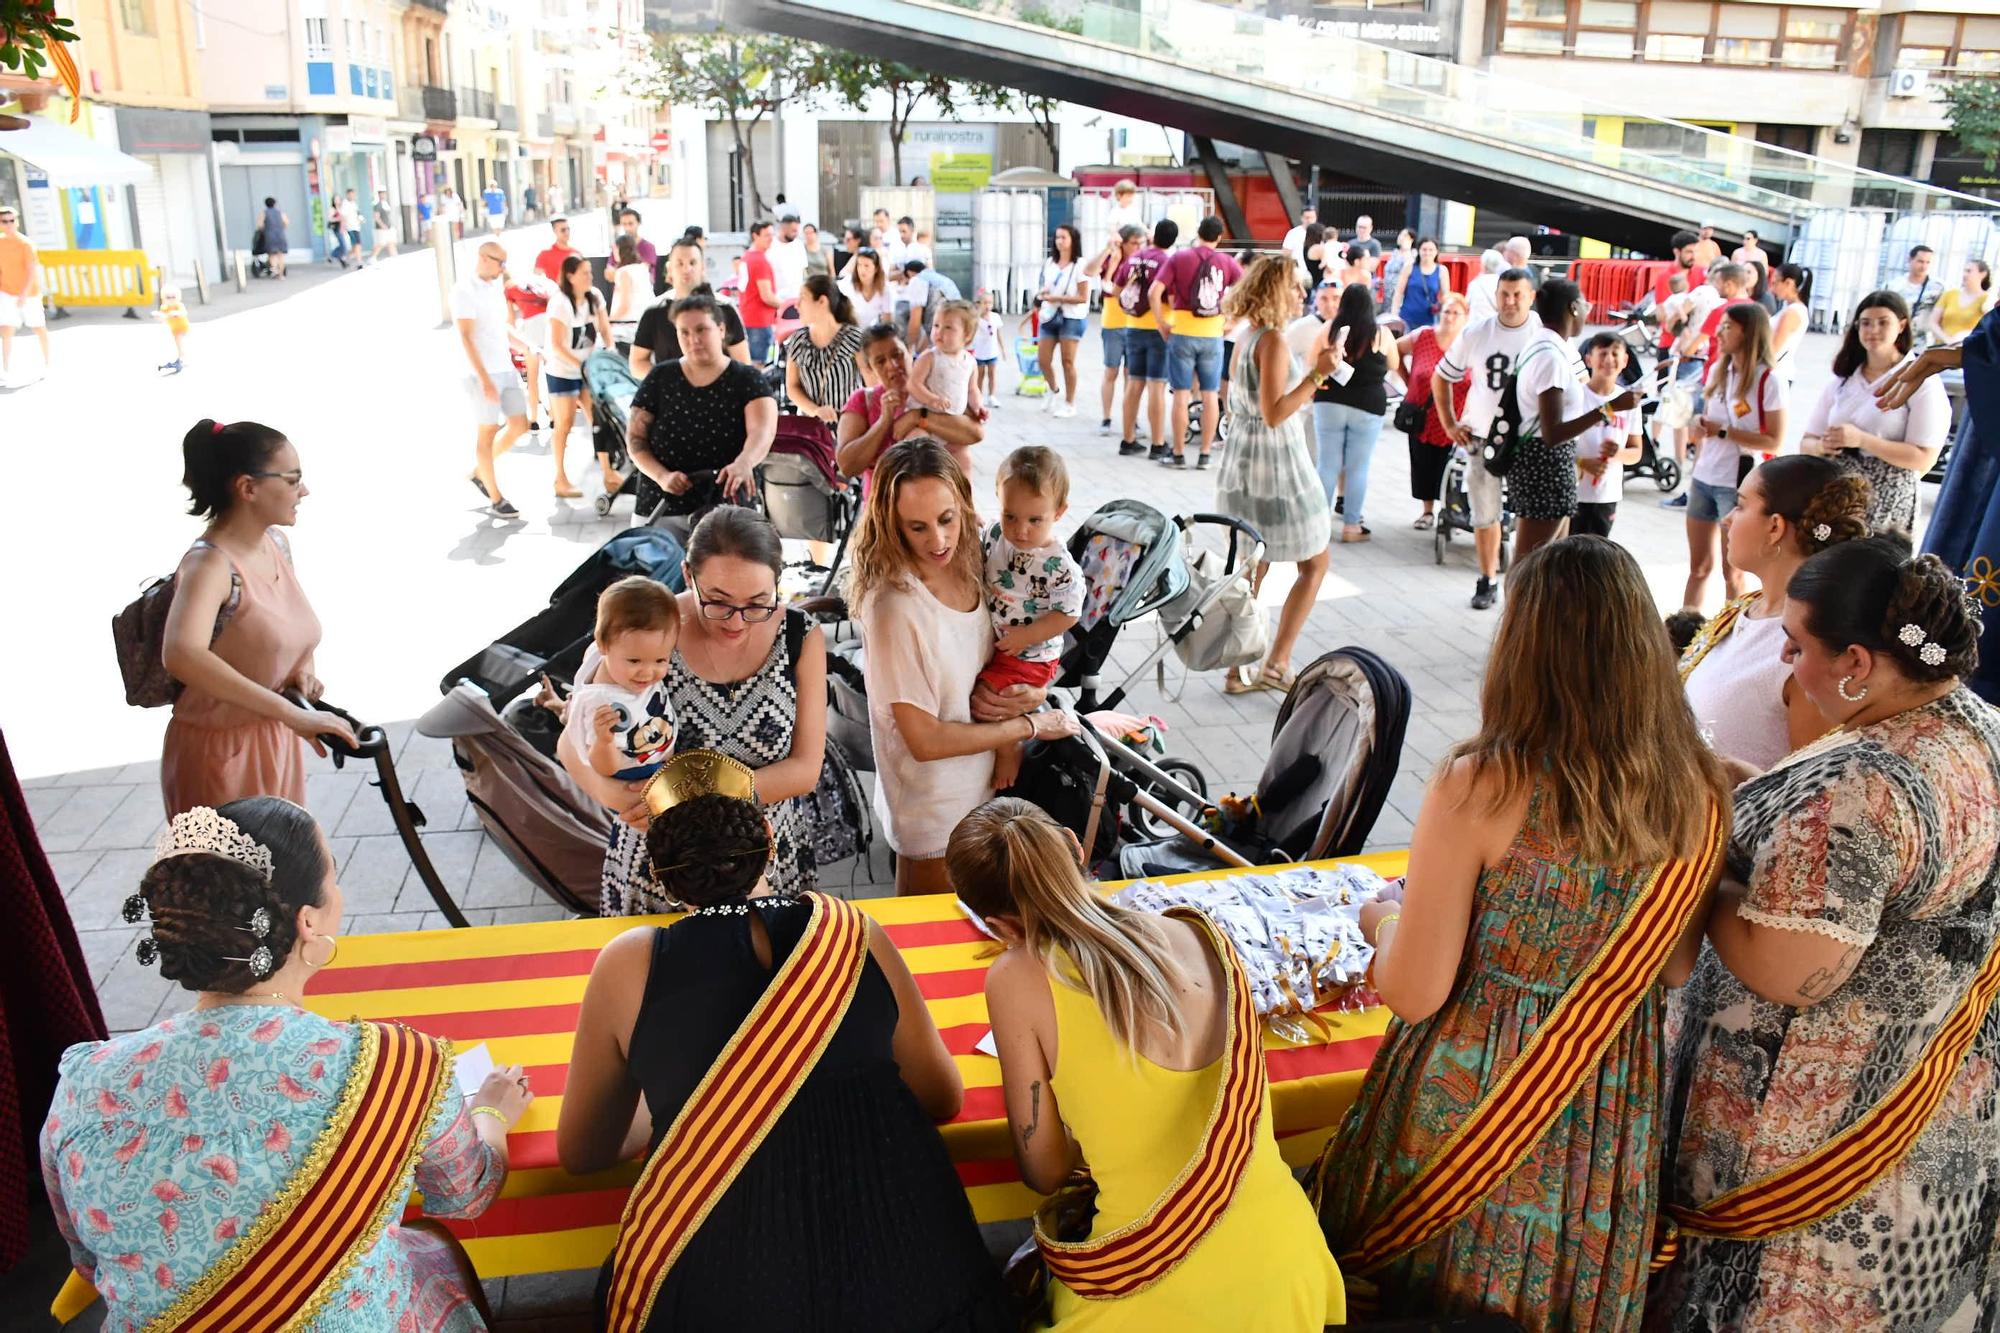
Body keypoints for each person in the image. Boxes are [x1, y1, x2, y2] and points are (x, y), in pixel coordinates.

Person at [1317, 536, 1731, 1331]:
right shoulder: (1700, 787)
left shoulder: (1484, 779)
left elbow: (1412, 990)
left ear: (1524, 646)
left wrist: (1383, 918)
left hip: (1472, 1101)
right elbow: (1675, 967)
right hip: (1607, 1108)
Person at [1658, 538, 2000, 1330]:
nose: (1783, 662)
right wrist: (1726, 787)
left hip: (1812, 1145)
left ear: (1856, 661)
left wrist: (1699, 867)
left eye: (1796, 645)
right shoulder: (1971, 725)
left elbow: (1787, 968)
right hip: (1924, 1112)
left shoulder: (1861, 789)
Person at [43, 797, 529, 1333]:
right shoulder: (395, 1065)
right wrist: (492, 1113)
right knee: (427, 1250)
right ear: (307, 921)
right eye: (335, 875)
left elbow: (86, 1256)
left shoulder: (85, 1082)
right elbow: (466, 1192)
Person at [558, 771, 1010, 1330]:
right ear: (771, 840)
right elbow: (942, 1097)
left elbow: (585, 1151)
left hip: (723, 1282)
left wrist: (684, 1104)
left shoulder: (628, 964)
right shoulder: (850, 933)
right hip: (905, 1270)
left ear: (659, 876)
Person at [950, 798, 1346, 1330]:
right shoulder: (1200, 932)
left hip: (1148, 1293)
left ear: (997, 926)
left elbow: (1044, 1171)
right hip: (1293, 1270)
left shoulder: (1015, 978)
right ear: (1074, 844)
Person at [564, 510, 830, 910]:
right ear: (688, 576)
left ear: (778, 581)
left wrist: (676, 802)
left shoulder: (799, 635)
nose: (737, 623)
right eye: (718, 603)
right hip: (666, 868)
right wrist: (612, 793)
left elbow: (806, 769)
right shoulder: (647, 629)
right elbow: (570, 742)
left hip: (765, 859)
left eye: (758, 603)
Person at [848, 441, 1074, 895]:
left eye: (947, 519)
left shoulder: (980, 553)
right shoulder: (895, 606)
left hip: (983, 789)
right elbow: (925, 741)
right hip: (932, 811)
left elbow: (1026, 638)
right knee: (927, 946)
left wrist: (1032, 693)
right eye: (917, 527)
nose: (938, 541)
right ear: (891, 525)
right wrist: (1028, 725)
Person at [160, 420, 354, 815]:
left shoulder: (275, 543)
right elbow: (181, 654)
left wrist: (303, 671)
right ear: (248, 488)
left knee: (285, 870)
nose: (304, 491)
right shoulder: (209, 566)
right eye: (292, 479)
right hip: (221, 754)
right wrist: (287, 711)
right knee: (238, 874)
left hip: (274, 736)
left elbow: (286, 630)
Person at [1680, 456, 1872, 772]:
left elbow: (1807, 788)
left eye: (1741, 506)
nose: (1727, 519)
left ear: (1775, 527)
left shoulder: (1812, 649)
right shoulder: (1746, 609)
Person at [1214, 255, 1336, 694]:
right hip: (1275, 464)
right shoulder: (1273, 342)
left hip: (1243, 462)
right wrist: (1319, 375)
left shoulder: (1247, 336)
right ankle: (1276, 662)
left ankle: (1239, 668)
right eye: (1295, 287)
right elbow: (1275, 412)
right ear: (1274, 292)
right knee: (1315, 560)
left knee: (1254, 565)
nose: (1302, 295)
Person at [625, 291, 777, 541]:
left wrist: (745, 462)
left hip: (727, 509)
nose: (693, 339)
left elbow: (763, 431)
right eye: (684, 332)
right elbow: (635, 439)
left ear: (720, 329)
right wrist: (662, 476)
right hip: (660, 504)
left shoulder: (747, 379)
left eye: (701, 330)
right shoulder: (659, 377)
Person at [1435, 267, 1543, 610]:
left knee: (1531, 513)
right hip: (1482, 436)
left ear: (1531, 296)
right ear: (1495, 295)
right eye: (1504, 294)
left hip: (1528, 439)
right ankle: (1488, 578)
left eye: (1517, 294)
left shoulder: (1543, 333)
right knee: (1485, 514)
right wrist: (1450, 422)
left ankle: (1527, 584)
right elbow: (1442, 377)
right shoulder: (1477, 332)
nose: (1510, 302)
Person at [1801, 289, 1949, 539]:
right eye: (1866, 323)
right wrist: (1822, 446)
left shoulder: (1919, 380)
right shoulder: (1844, 378)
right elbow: (1807, 441)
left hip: (1888, 498)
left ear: (1902, 325)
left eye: (1883, 322)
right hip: (1837, 493)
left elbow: (1924, 458)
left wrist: (1862, 440)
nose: (1873, 330)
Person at [981, 447, 1083, 788]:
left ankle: (1010, 746)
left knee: (991, 699)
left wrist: (1028, 636)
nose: (1020, 530)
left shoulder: (1058, 565)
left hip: (1031, 655)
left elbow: (1068, 613)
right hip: (1002, 641)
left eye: (1034, 520)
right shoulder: (997, 535)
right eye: (1010, 516)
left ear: (1059, 512)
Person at [1508, 279, 1622, 560]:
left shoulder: (1547, 346)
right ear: (1573, 308)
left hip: (1546, 461)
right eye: (1585, 305)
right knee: (1531, 559)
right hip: (1546, 463)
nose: (1587, 311)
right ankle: (1517, 604)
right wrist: (1608, 409)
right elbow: (1553, 432)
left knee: (1551, 558)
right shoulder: (1550, 357)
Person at [1684, 303, 1786, 611]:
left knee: (1734, 571)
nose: (1719, 332)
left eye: (1728, 326)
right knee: (1699, 566)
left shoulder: (1768, 380)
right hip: (1704, 475)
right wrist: (1698, 425)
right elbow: (1704, 418)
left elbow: (1775, 440)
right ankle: (1683, 634)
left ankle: (1732, 632)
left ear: (1749, 331)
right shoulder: (1719, 369)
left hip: (1738, 482)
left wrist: (1725, 431)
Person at [566, 576, 679, 792]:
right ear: (603, 645)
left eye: (660, 660)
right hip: (637, 772)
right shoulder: (603, 705)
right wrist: (604, 741)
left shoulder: (610, 655)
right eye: (634, 661)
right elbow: (605, 768)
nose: (647, 672)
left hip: (658, 751)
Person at [1150, 215, 1244, 467]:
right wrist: (1233, 321)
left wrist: (1162, 322)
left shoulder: (1179, 258)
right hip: (1213, 334)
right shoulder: (1226, 261)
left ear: (1199, 233)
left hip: (1181, 331)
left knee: (1181, 394)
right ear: (1219, 238)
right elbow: (1247, 289)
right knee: (1210, 395)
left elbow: (1154, 292)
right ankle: (1204, 455)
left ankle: (1178, 453)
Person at [1313, 281, 1402, 544]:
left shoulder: (1330, 329)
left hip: (1329, 401)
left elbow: (1311, 361)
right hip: (1368, 405)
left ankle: (1318, 526)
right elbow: (1394, 364)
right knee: (1357, 467)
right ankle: (1352, 526)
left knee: (1327, 464)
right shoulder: (1382, 333)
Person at [837, 327, 985, 485]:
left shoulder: (939, 387)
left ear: (909, 351)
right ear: (870, 368)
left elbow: (975, 433)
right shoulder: (863, 400)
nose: (892, 365)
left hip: (942, 502)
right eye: (880, 361)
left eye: (897, 354)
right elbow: (847, 466)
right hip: (885, 506)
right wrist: (883, 422)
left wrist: (918, 417)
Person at [452, 241, 533, 518]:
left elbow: (501, 329)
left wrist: (526, 347)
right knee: (486, 432)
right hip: (480, 373)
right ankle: (496, 498)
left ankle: (479, 472)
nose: (503, 269)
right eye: (500, 263)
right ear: (484, 258)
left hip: (504, 367)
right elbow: (466, 336)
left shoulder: (494, 288)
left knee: (520, 425)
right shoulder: (464, 290)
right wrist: (484, 379)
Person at [1397, 291, 1469, 530]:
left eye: (1456, 313)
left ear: (1465, 317)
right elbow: (1395, 350)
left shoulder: (1468, 344)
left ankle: (1450, 512)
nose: (1450, 317)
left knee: (1451, 467)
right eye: (1447, 311)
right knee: (1423, 464)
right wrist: (1407, 380)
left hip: (1455, 416)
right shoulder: (1423, 336)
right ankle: (1427, 511)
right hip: (1423, 416)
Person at [545, 253, 613, 500]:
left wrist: (609, 353)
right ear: (570, 276)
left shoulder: (594, 297)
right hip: (562, 371)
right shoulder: (560, 303)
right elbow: (556, 344)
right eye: (584, 273)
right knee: (564, 424)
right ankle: (560, 478)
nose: (589, 277)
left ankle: (608, 472)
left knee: (598, 418)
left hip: (588, 368)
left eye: (589, 272)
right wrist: (581, 365)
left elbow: (605, 329)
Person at [630, 237, 748, 377]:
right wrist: (667, 380)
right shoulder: (654, 312)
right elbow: (637, 362)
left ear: (702, 267)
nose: (686, 269)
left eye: (692, 263)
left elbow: (743, 363)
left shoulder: (725, 308)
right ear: (669, 268)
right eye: (680, 263)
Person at [1567, 332, 1644, 540]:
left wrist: (1619, 453)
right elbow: (1557, 442)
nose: (1609, 359)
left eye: (1615, 353)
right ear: (1588, 359)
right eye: (1602, 353)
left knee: (1599, 552)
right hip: (1574, 492)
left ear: (1625, 360)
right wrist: (1582, 462)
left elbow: (1636, 452)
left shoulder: (1629, 402)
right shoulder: (1576, 396)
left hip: (1607, 494)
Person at [1118, 218, 1178, 458]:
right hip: (1158, 327)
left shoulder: (1135, 257)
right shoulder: (1168, 261)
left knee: (1134, 383)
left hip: (1132, 326)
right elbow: (1171, 296)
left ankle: (1127, 439)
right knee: (1156, 386)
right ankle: (1157, 443)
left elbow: (1116, 288)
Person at [783, 272, 865, 428]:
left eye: (803, 298)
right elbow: (792, 387)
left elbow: (872, 384)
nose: (796, 304)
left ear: (822, 301)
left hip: (849, 426)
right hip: (811, 430)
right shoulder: (798, 340)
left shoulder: (854, 338)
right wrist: (815, 410)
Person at [1092, 224, 1144, 435]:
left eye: (1141, 243)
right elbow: (1101, 281)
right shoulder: (1113, 259)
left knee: (1130, 374)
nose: (1138, 247)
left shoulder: (1142, 261)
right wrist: (1111, 257)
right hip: (1113, 322)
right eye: (1134, 243)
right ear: (1123, 243)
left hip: (1134, 323)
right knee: (1111, 370)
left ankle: (1131, 416)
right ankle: (1106, 417)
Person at [1035, 223, 1089, 418]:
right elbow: (1046, 286)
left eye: (1064, 237)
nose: (1059, 241)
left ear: (1073, 240)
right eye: (1057, 237)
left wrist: (1058, 298)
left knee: (1067, 361)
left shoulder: (1080, 265)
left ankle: (1070, 402)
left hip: (1071, 316)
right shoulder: (1050, 262)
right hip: (1050, 314)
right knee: (1043, 359)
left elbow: (1083, 297)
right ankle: (1053, 388)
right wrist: (1045, 294)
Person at [908, 298, 985, 427]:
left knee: (962, 447)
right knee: (918, 442)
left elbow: (972, 389)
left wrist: (978, 406)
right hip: (925, 418)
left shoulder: (970, 362)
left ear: (967, 335)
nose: (939, 331)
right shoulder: (929, 357)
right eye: (936, 325)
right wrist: (932, 399)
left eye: (948, 327)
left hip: (953, 419)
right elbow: (913, 384)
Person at [0, 203, 49, 381]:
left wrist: (23, 294)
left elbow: (31, 271)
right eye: (4, 221)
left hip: (29, 294)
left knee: (38, 327)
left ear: (17, 222)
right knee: (5, 330)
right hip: (6, 291)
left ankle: (46, 363)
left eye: (11, 220)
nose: (8, 224)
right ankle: (5, 369)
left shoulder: (26, 244)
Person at [737, 220, 780, 364]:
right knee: (758, 364)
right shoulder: (760, 261)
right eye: (767, 235)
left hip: (748, 316)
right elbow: (766, 296)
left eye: (772, 235)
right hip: (760, 321)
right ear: (755, 236)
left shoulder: (746, 257)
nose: (771, 239)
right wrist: (785, 305)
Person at [1389, 236, 1450, 331]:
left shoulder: (1442, 270)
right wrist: (1394, 314)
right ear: (1419, 250)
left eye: (1431, 250)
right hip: (1407, 318)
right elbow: (1399, 292)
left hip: (1430, 320)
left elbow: (1446, 296)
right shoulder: (1409, 267)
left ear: (1437, 251)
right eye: (1424, 249)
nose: (1427, 253)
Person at [900, 258, 961, 353]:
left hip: (940, 337)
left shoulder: (917, 280)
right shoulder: (944, 279)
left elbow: (915, 321)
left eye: (907, 281)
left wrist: (908, 351)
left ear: (910, 273)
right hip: (957, 336)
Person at [1929, 258, 1994, 345]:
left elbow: (1990, 328)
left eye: (1969, 271)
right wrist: (1947, 340)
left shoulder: (1987, 299)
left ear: (1983, 274)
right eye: (1964, 271)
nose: (1965, 274)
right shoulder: (1950, 294)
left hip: (1966, 349)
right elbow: (1933, 322)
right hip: (1941, 348)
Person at [1767, 260, 1811, 382]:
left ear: (1789, 283)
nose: (1772, 289)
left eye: (1775, 284)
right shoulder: (1793, 310)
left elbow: (1774, 348)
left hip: (1777, 374)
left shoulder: (1791, 313)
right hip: (1778, 372)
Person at [608, 234, 650, 353]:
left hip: (626, 329)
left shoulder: (623, 272)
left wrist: (608, 321)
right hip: (642, 324)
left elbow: (624, 306)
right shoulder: (642, 268)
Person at [1885, 243, 1940, 328]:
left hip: (1925, 338)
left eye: (1928, 262)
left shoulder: (1938, 288)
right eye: (1920, 261)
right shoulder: (1893, 286)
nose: (1924, 266)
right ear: (1910, 259)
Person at [837, 245, 892, 329]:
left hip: (871, 333)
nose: (862, 269)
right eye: (859, 265)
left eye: (866, 266)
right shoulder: (847, 284)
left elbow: (887, 321)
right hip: (850, 330)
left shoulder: (885, 289)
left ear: (876, 268)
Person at [768, 205, 808, 310]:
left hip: (797, 301)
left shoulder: (799, 245)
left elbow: (804, 272)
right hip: (777, 302)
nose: (796, 233)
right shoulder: (771, 246)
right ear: (783, 227)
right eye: (793, 231)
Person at [971, 288, 1004, 406]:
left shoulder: (995, 317)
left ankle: (992, 396)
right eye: (984, 303)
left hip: (992, 351)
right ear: (979, 304)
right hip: (980, 352)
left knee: (992, 374)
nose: (987, 305)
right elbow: (971, 332)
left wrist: (1003, 349)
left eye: (990, 303)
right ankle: (978, 396)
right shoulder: (976, 319)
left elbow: (999, 334)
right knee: (980, 375)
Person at [613, 207, 658, 279]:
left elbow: (642, 273)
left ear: (638, 223)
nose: (627, 228)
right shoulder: (617, 246)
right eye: (624, 224)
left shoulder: (648, 247)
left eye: (630, 223)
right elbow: (609, 274)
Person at [154, 284, 190, 374]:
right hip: (174, 329)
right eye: (168, 297)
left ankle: (182, 358)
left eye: (173, 297)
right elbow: (162, 318)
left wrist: (176, 313)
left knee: (180, 342)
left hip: (182, 327)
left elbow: (184, 313)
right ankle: (181, 357)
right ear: (163, 298)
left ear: (178, 297)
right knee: (178, 343)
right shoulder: (164, 307)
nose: (171, 299)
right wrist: (158, 316)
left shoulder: (178, 305)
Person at [1465, 248, 1504, 323]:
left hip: (1476, 326)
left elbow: (1466, 305)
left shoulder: (1475, 284)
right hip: (1495, 325)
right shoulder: (1503, 284)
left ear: (1483, 265)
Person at [1379, 227, 1416, 307]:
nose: (1401, 237)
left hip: (1400, 294)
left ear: (1411, 239)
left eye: (1405, 235)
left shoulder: (1411, 255)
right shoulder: (1395, 253)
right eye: (1400, 234)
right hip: (1387, 293)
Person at [258, 196, 289, 279]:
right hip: (280, 235)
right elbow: (286, 223)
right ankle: (281, 275)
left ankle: (275, 271)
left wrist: (265, 229)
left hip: (269, 235)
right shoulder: (281, 213)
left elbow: (260, 225)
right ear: (275, 204)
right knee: (281, 255)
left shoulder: (264, 213)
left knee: (272, 255)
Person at [1281, 204, 1318, 271]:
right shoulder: (1293, 233)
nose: (1309, 220)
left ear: (1316, 218)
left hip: (1315, 273)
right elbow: (1286, 254)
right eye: (1307, 217)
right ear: (1301, 218)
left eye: (1312, 217)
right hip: (1297, 271)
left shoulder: (1320, 233)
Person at [368, 190, 398, 262]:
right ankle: (372, 257)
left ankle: (394, 256)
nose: (383, 195)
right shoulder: (378, 205)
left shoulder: (386, 204)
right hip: (382, 228)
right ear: (379, 195)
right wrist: (382, 225)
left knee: (391, 242)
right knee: (380, 243)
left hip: (389, 227)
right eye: (381, 194)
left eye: (384, 194)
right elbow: (376, 217)